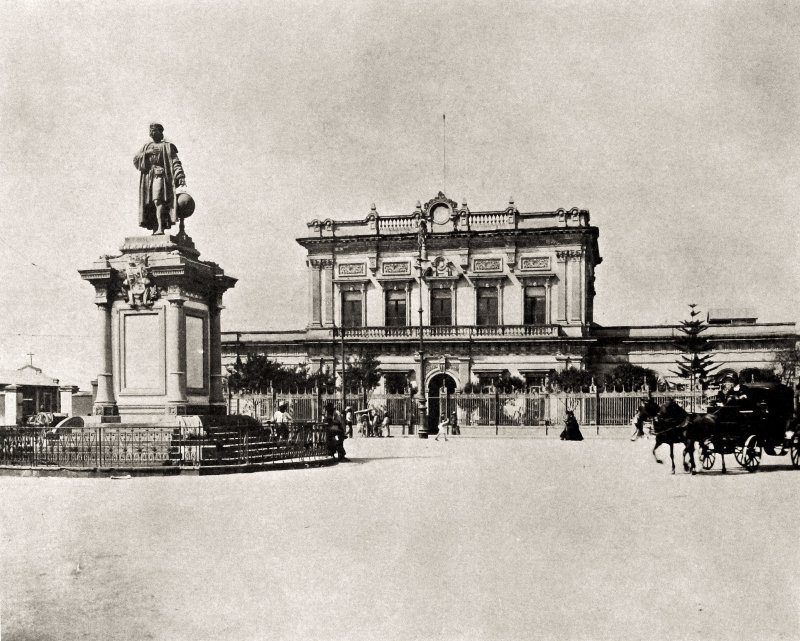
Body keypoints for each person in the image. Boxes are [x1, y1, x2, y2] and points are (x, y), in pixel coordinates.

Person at [134, 122, 187, 235]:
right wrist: (147, 153)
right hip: (148, 177)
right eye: (150, 130)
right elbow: (136, 159)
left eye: (154, 130)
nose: (151, 132)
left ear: (160, 132)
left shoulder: (167, 146)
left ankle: (160, 227)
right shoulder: (146, 146)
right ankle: (155, 227)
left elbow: (175, 162)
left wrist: (180, 175)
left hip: (160, 176)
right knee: (151, 203)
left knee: (158, 200)